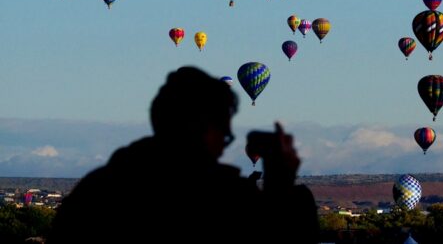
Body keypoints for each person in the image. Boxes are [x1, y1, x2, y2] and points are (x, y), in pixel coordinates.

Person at [48, 66, 319, 243]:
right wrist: (282, 184)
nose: (224, 147)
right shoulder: (221, 195)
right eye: (223, 135)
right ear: (200, 129)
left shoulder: (97, 189)